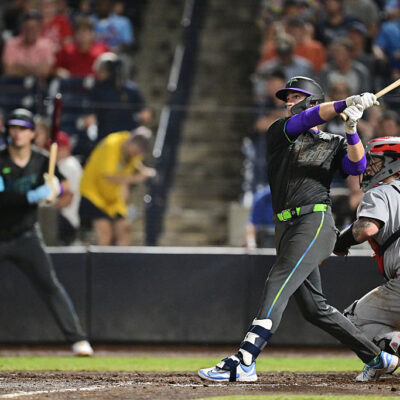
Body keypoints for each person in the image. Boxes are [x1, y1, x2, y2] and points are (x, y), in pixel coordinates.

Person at [198, 76, 399, 382]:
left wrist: (351, 127)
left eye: (295, 97)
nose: (289, 103)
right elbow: (307, 118)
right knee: (314, 308)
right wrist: (345, 103)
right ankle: (378, 357)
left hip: (315, 221)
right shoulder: (282, 131)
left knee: (279, 278)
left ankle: (245, 360)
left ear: (313, 100)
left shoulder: (333, 142)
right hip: (287, 226)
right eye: (287, 98)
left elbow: (357, 167)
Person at [0, 108, 93, 356]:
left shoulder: (42, 159)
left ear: (32, 133)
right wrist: (34, 196)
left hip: (26, 236)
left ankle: (78, 340)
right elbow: (2, 197)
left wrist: (56, 190)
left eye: (22, 129)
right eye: (13, 128)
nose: (17, 133)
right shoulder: (0, 159)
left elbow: (62, 186)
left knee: (50, 286)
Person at [334, 136, 400, 380]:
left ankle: (383, 358)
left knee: (350, 321)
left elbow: (366, 229)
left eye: (375, 162)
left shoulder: (380, 192)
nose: (368, 167)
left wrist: (338, 242)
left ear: (393, 163)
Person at [79, 126, 155, 246]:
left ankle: (120, 263)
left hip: (112, 200)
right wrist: (135, 179)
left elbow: (136, 164)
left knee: (125, 230)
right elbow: (108, 177)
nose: (136, 155)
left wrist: (145, 171)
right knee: (106, 232)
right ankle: (100, 264)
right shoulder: (111, 144)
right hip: (93, 194)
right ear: (130, 142)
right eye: (136, 151)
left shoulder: (134, 153)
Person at [2, 9, 55, 80]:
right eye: (27, 27)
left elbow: (45, 71)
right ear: (22, 27)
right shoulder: (11, 43)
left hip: (39, 88)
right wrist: (36, 68)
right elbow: (8, 70)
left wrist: (18, 67)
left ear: (40, 28)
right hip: (15, 86)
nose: (30, 31)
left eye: (33, 28)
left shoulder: (47, 44)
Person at [56, 131, 82, 245]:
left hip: (65, 219)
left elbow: (67, 199)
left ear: (67, 148)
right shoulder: (61, 164)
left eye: (60, 148)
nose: (57, 152)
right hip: (64, 219)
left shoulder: (68, 164)